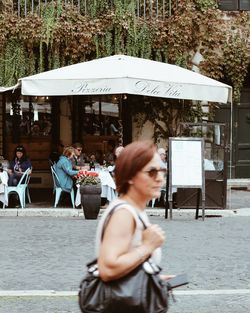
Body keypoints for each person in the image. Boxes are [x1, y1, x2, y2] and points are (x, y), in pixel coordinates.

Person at [95, 141, 171, 308]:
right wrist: (147, 247)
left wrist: (151, 277)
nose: (159, 177)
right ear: (130, 176)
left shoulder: (134, 210)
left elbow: (128, 263)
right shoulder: (124, 214)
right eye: (151, 172)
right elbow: (108, 269)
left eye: (161, 171)